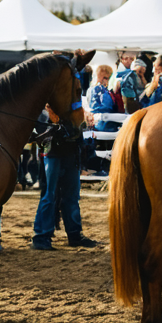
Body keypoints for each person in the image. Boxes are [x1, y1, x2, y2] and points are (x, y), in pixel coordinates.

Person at [31, 105, 99, 250]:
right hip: (53, 149)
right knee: (51, 194)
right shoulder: (48, 99)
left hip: (69, 148)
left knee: (69, 195)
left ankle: (70, 234)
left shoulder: (70, 94)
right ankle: (42, 236)